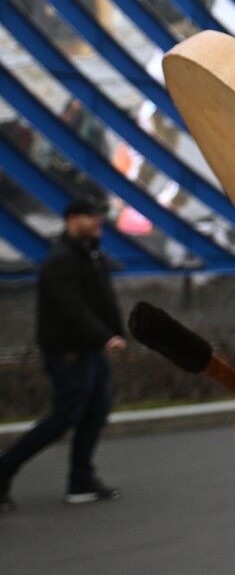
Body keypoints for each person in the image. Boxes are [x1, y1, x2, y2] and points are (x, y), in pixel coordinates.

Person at [0, 196, 127, 511]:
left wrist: (115, 333)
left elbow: (102, 300)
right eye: (91, 216)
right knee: (64, 417)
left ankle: (81, 480)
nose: (99, 221)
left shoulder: (90, 254)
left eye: (100, 216)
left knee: (96, 412)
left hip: (91, 350)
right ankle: (4, 469)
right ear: (72, 219)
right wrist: (104, 336)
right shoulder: (62, 259)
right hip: (69, 352)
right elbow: (73, 308)